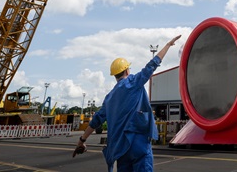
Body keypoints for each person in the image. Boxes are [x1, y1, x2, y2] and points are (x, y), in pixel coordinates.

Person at [73, 35, 182, 171]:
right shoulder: (134, 82)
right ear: (126, 70)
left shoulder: (109, 98)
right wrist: (167, 45)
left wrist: (82, 140)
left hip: (120, 148)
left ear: (115, 75)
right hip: (138, 142)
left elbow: (96, 121)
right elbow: (152, 65)